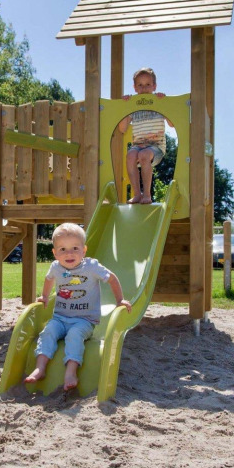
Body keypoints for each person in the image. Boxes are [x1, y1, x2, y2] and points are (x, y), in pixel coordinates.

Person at [24, 223, 132, 391]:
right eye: (62, 249)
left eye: (75, 248)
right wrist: (44, 296)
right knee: (48, 332)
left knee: (74, 336)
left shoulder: (91, 267)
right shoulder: (56, 267)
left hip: (84, 320)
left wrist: (120, 300)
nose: (69, 254)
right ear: (55, 253)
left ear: (84, 250)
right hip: (59, 318)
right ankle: (40, 368)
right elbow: (48, 279)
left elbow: (112, 278)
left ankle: (71, 371)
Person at [117, 67, 173, 204]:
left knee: (143, 155)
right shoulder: (134, 107)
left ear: (154, 86)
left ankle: (147, 194)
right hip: (138, 145)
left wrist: (165, 104)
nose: (144, 88)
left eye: (148, 85)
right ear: (135, 88)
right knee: (130, 155)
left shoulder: (159, 104)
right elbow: (122, 128)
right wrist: (126, 107)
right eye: (140, 85)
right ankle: (137, 194)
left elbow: (172, 124)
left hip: (156, 147)